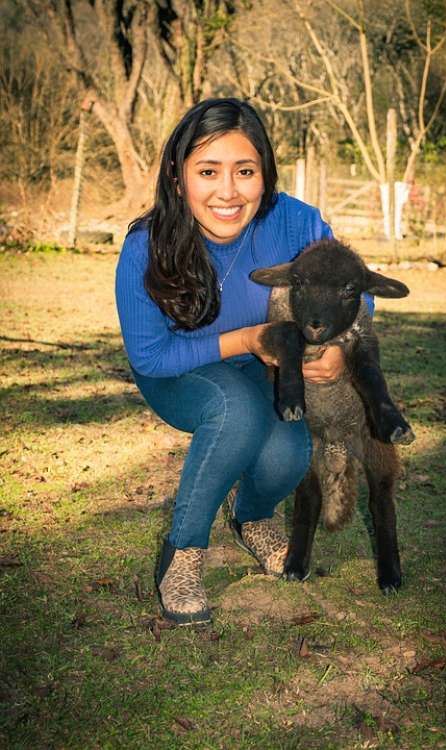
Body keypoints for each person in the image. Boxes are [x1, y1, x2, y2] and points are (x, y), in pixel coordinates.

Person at [115, 97, 373, 626]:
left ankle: (252, 516)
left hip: (268, 363)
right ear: (177, 173)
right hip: (177, 371)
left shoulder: (297, 223)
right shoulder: (146, 245)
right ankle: (182, 556)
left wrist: (342, 352)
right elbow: (150, 354)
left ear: (265, 174)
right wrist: (249, 339)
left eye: (245, 171)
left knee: (287, 448)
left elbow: (357, 294)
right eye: (208, 171)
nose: (228, 191)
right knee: (237, 411)